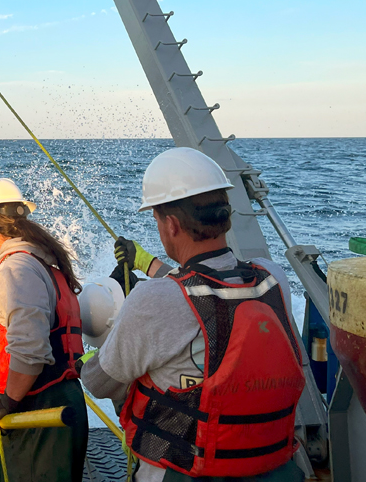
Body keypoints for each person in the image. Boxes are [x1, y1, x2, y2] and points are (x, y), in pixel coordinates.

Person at [81, 148, 305, 482]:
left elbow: (99, 382)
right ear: (225, 216)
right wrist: (150, 264)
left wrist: (86, 357)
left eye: (157, 219)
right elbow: (208, 288)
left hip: (184, 473)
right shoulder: (272, 280)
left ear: (171, 224)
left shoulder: (152, 299)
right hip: (273, 468)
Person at [0, 177, 88, 482]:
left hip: (41, 411)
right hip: (51, 404)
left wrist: (6, 404)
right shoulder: (41, 263)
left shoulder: (17, 270)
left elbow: (31, 351)